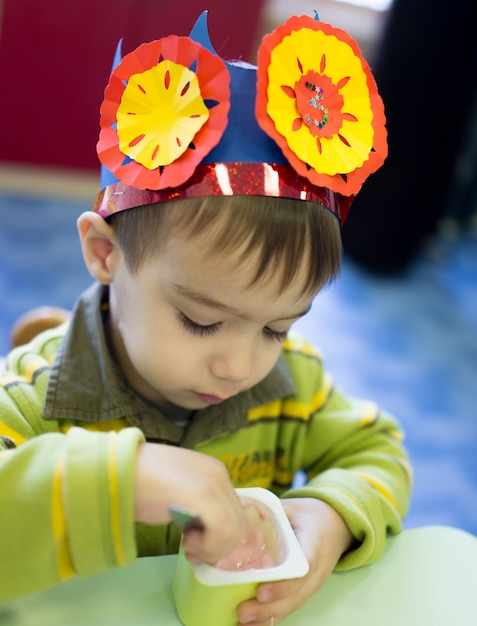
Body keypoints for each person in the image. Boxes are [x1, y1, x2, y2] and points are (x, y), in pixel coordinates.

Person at [0, 11, 411, 624]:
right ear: (105, 253)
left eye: (277, 327)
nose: (240, 364)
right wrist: (118, 484)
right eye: (199, 320)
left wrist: (331, 512)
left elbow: (378, 451)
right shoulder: (32, 405)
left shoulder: (292, 384)